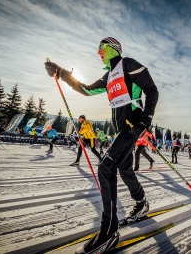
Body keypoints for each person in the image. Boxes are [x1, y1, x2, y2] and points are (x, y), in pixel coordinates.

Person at [45, 37, 159, 254]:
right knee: (124, 168)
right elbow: (86, 89)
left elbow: (152, 90)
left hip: (131, 128)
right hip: (121, 131)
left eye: (101, 48)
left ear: (111, 48)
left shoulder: (128, 64)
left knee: (105, 168)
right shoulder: (109, 75)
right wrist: (61, 73)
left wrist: (144, 122)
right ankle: (141, 201)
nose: (98, 53)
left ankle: (109, 232)